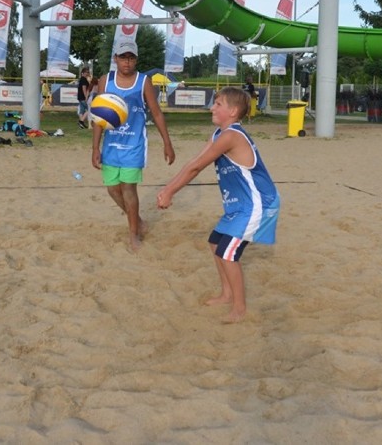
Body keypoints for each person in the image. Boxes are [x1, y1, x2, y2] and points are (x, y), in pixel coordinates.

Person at [157, 87, 280, 323]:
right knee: (215, 242)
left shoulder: (232, 136)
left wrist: (170, 191)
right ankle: (226, 294)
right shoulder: (218, 134)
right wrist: (167, 188)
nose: (212, 107)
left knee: (227, 253)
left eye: (218, 104)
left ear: (233, 111)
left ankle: (239, 308)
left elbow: (197, 168)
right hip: (239, 207)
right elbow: (194, 162)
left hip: (259, 205)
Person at [91, 41, 175, 251]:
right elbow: (99, 117)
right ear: (115, 59)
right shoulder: (105, 81)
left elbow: (156, 112)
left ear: (136, 59)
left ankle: (133, 236)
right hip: (111, 145)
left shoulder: (143, 81)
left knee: (128, 189)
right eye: (123, 57)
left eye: (131, 57)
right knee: (112, 190)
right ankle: (138, 221)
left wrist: (167, 142)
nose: (127, 62)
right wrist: (95, 147)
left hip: (134, 144)